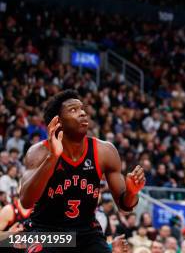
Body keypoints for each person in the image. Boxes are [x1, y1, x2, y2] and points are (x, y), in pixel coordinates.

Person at [19, 89, 146, 252]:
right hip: (46, 230)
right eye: (73, 110)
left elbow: (125, 205)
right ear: (58, 121)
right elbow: (26, 201)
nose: (82, 113)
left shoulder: (104, 151)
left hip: (87, 233)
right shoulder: (39, 152)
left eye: (82, 109)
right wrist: (52, 157)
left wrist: (131, 192)